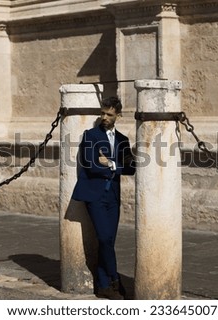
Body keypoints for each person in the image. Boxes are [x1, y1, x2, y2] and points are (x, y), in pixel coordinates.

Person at [72, 96, 135, 300]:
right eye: (102, 113)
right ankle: (115, 279)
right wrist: (110, 165)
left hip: (113, 197)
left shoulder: (123, 140)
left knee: (108, 241)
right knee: (104, 238)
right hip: (95, 195)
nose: (104, 117)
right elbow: (90, 165)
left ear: (118, 115)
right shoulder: (90, 136)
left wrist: (111, 164)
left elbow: (131, 167)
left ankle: (103, 285)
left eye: (109, 114)